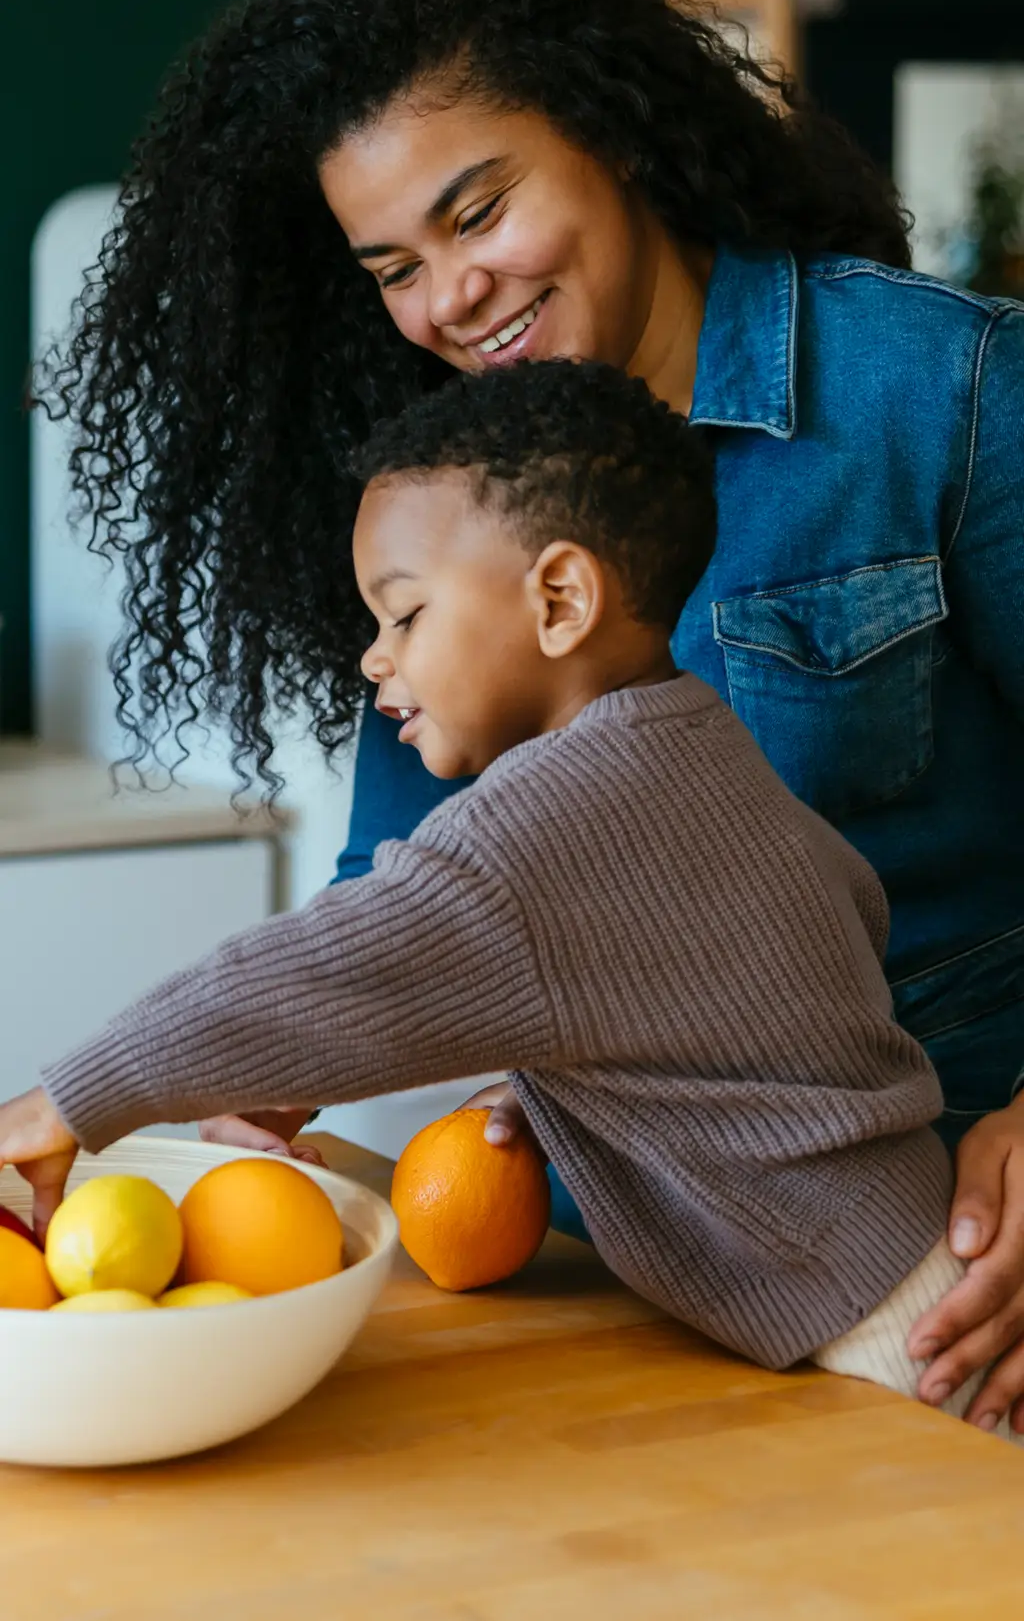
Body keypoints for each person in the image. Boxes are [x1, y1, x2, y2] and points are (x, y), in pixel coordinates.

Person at [40, 0, 1024, 1430]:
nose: (449, 298)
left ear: (612, 128)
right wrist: (259, 1076)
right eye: (391, 267)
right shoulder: (444, 503)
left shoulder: (943, 395)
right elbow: (405, 892)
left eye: (479, 211)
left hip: (946, 1273)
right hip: (633, 1284)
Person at [3, 363, 1019, 1437]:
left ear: (559, 600)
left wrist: (70, 1099)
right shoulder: (699, 749)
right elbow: (820, 931)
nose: (373, 658)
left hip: (898, 1342)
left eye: (402, 616)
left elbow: (332, 966)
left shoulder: (544, 818)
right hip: (903, 1258)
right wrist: (578, 1086)